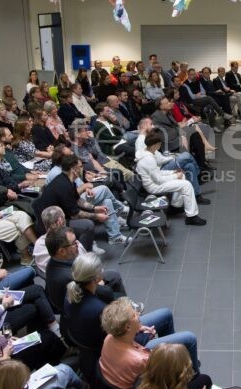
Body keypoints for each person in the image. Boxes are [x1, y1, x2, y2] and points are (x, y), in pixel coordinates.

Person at [63, 254, 199, 373]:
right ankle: (193, 378)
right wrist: (143, 335)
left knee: (166, 314)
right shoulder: (98, 310)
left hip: (120, 333)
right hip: (121, 349)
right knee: (190, 338)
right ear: (95, 277)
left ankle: (170, 360)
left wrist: (138, 327)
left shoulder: (71, 294)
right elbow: (118, 339)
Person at [33, 154, 129, 246]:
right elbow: (75, 214)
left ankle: (115, 237)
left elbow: (78, 200)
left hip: (64, 214)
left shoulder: (68, 180)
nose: (82, 168)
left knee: (106, 202)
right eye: (80, 166)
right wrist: (96, 216)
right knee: (87, 224)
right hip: (55, 223)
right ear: (74, 169)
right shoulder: (64, 186)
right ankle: (86, 249)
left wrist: (95, 208)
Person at [44, 226, 126, 312]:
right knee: (114, 287)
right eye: (74, 243)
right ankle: (124, 311)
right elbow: (101, 292)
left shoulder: (54, 262)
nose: (78, 244)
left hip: (78, 294)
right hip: (80, 307)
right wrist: (100, 285)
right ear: (62, 251)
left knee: (113, 274)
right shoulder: (69, 277)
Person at [136, 130, 206, 226]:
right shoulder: (148, 159)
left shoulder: (145, 153)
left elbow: (158, 173)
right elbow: (158, 179)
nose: (160, 146)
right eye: (159, 144)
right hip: (154, 186)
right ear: (154, 145)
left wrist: (173, 172)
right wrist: (175, 176)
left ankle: (176, 206)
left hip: (155, 181)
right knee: (187, 185)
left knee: (183, 176)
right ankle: (192, 217)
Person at [136, 118, 206, 201]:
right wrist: (173, 157)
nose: (153, 126)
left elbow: (158, 157)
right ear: (143, 126)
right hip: (160, 170)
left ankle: (196, 194)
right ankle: (199, 173)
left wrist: (172, 157)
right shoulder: (141, 141)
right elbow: (158, 160)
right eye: (150, 124)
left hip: (161, 165)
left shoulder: (146, 139)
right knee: (186, 155)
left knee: (189, 165)